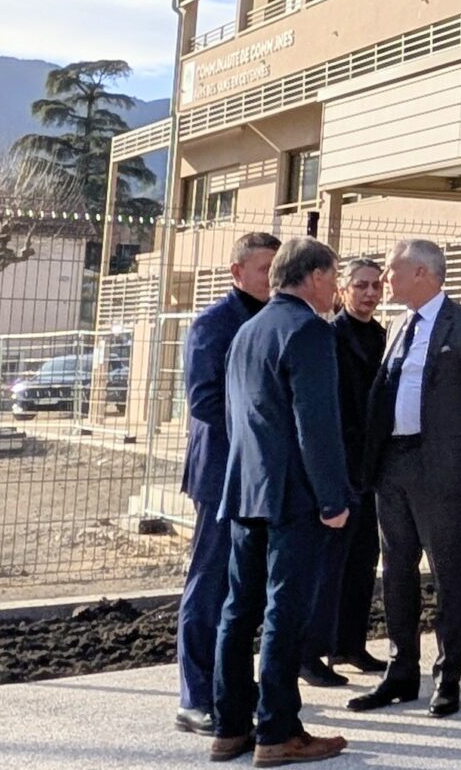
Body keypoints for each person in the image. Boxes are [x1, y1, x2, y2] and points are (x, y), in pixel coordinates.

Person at [347, 238, 461, 719]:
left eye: (392, 270)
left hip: (441, 468)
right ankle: (401, 671)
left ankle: (448, 674)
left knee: (447, 570)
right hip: (393, 464)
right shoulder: (398, 326)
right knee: (396, 569)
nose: (385, 280)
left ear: (421, 272)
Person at [210, 235, 353, 766]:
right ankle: (277, 732)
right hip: (293, 496)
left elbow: (235, 416)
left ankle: (229, 728)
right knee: (284, 614)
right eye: (333, 277)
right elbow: (317, 424)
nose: (335, 289)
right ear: (314, 276)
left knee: (238, 610)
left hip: (246, 489)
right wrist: (333, 498)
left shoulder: (247, 330)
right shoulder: (309, 331)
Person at [174, 231, 277, 736]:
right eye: (264, 269)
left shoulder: (276, 319)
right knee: (211, 581)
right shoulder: (212, 324)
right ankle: (194, 697)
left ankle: (230, 685)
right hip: (221, 472)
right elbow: (204, 400)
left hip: (260, 474)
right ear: (237, 272)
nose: (272, 278)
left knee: (246, 587)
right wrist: (265, 431)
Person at [304, 257, 387, 685]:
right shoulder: (330, 337)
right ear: (343, 290)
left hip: (372, 467)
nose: (370, 293)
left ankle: (350, 643)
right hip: (340, 464)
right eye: (361, 286)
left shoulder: (383, 337)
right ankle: (310, 651)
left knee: (362, 559)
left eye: (376, 286)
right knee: (328, 563)